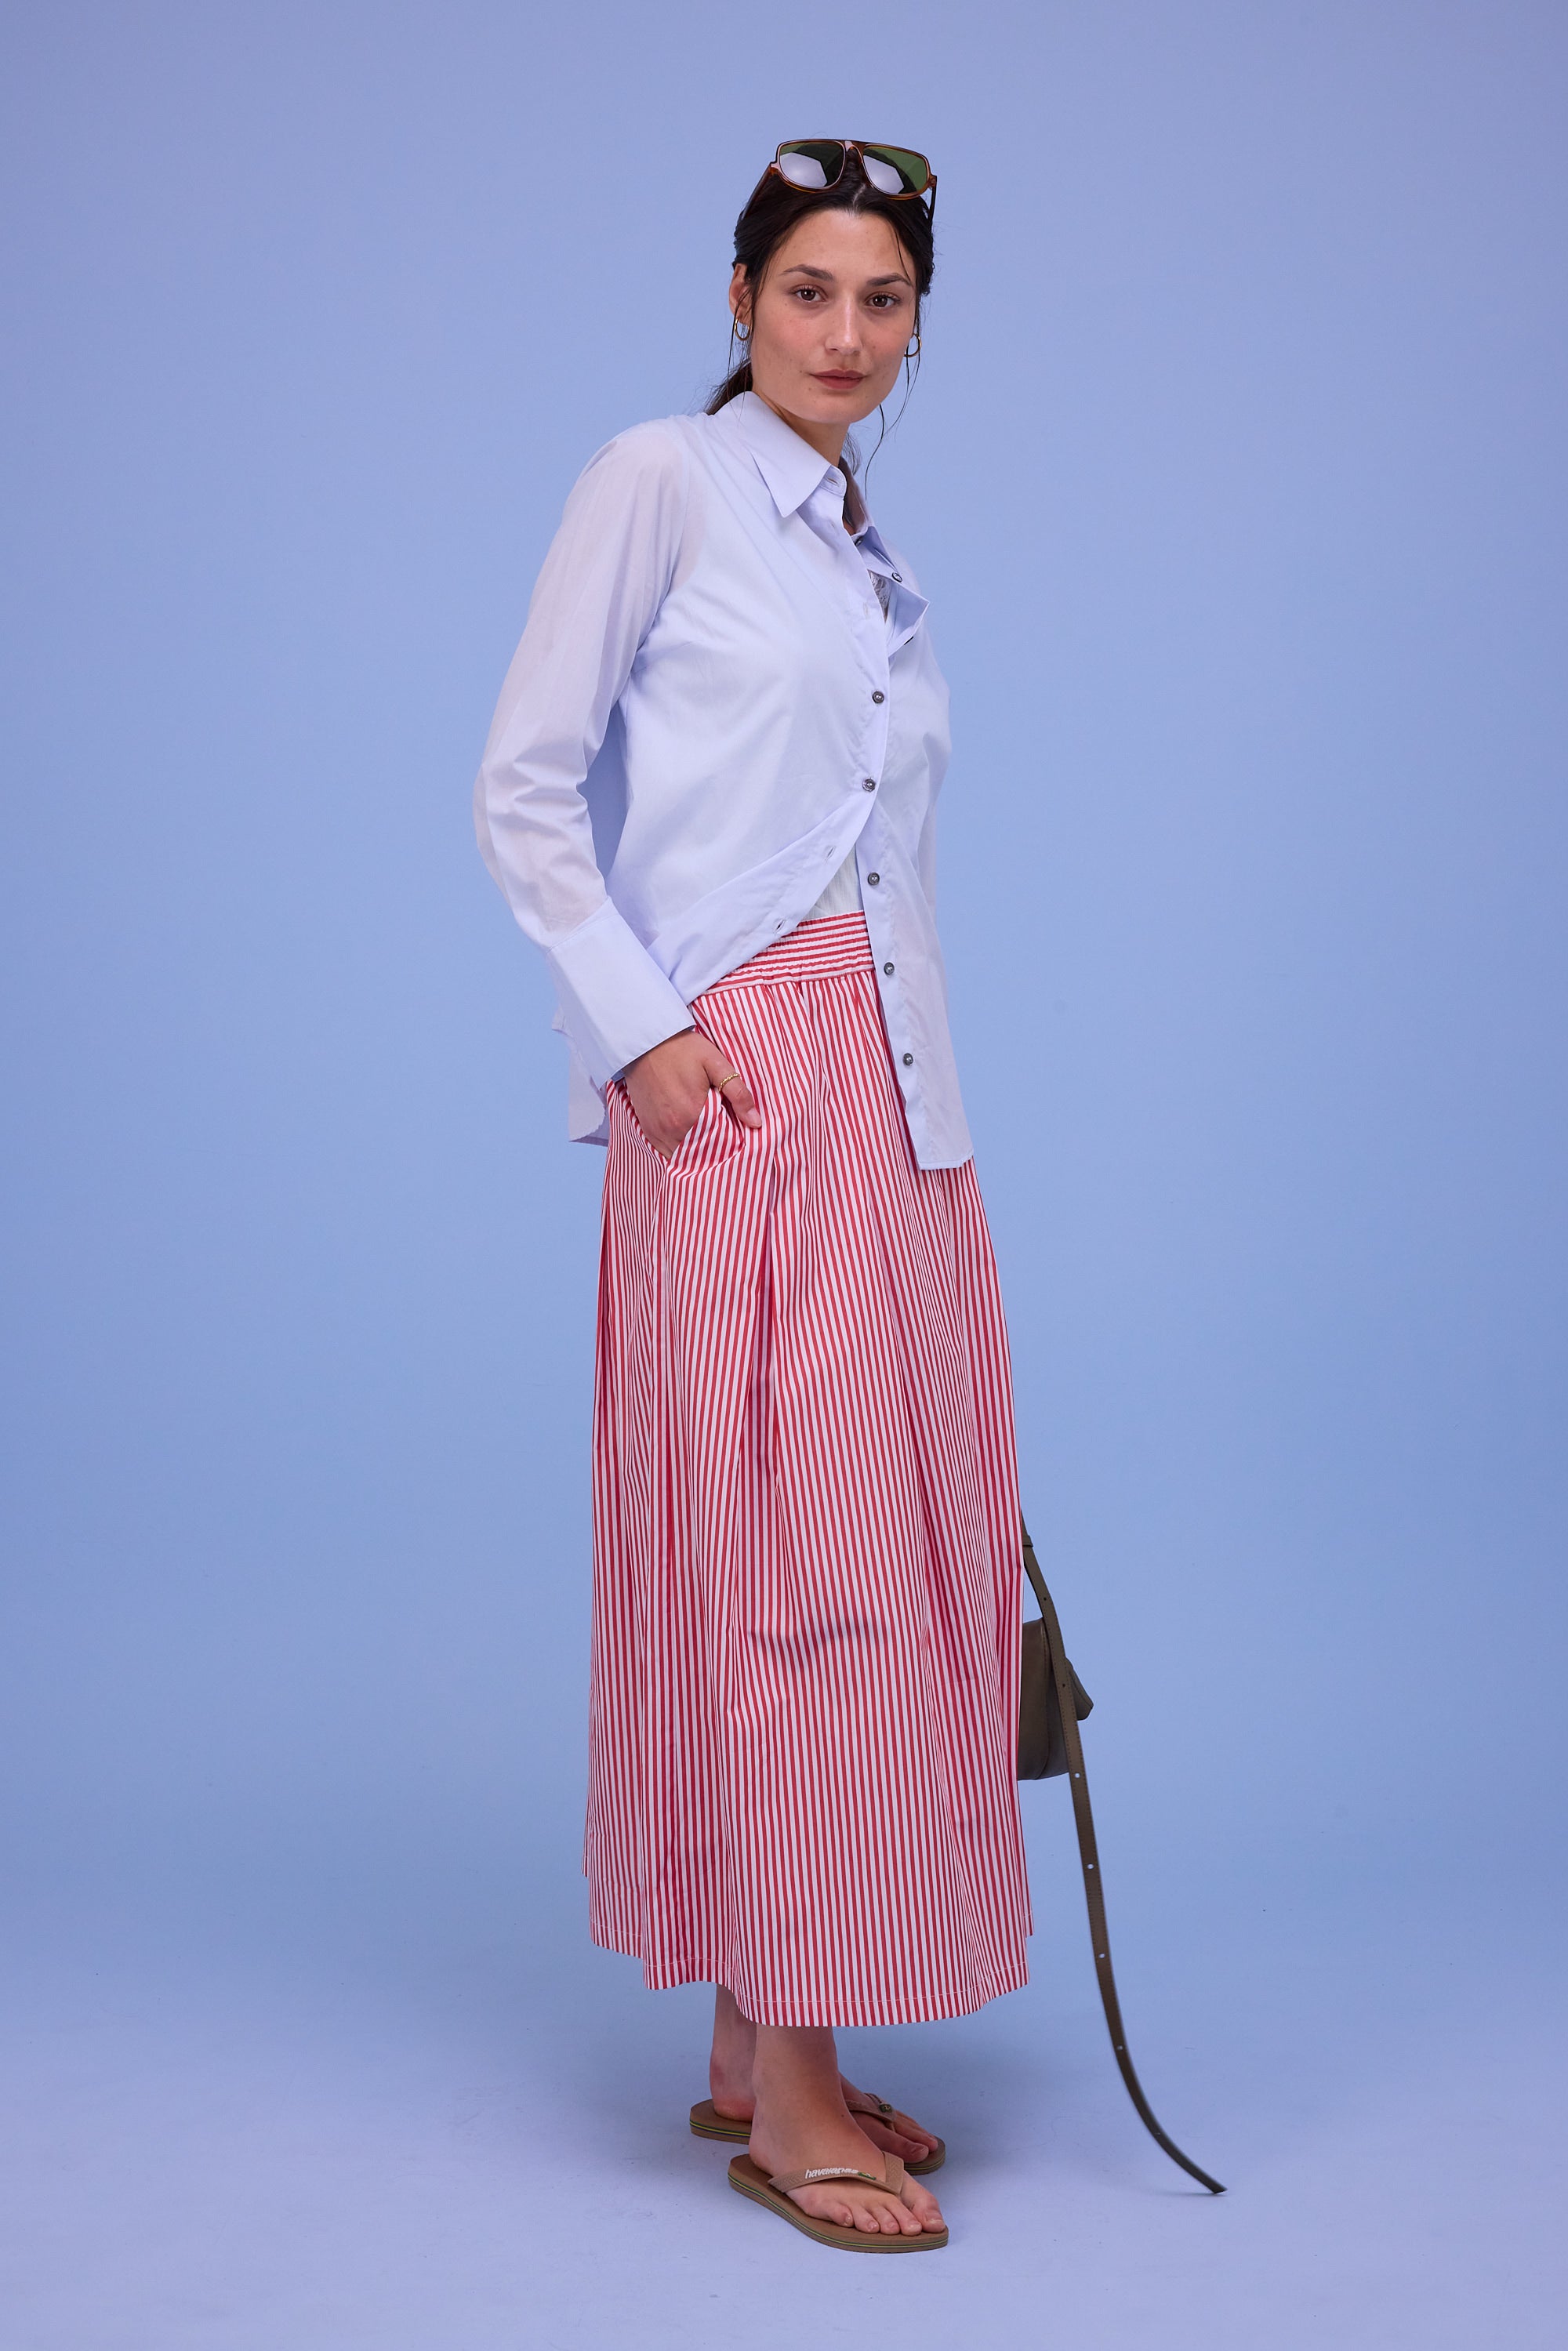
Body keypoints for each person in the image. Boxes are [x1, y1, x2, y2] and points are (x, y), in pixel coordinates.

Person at [474, 140, 1031, 2255]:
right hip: (736, 1093)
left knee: (878, 1547)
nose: (846, 333)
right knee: (783, 1562)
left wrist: (918, 1116)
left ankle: (752, 2040)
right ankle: (795, 2091)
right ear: (739, 297)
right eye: (810, 290)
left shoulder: (861, 556)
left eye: (884, 299)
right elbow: (523, 782)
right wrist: (640, 1036)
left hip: (890, 1098)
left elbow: (873, 856)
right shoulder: (665, 481)